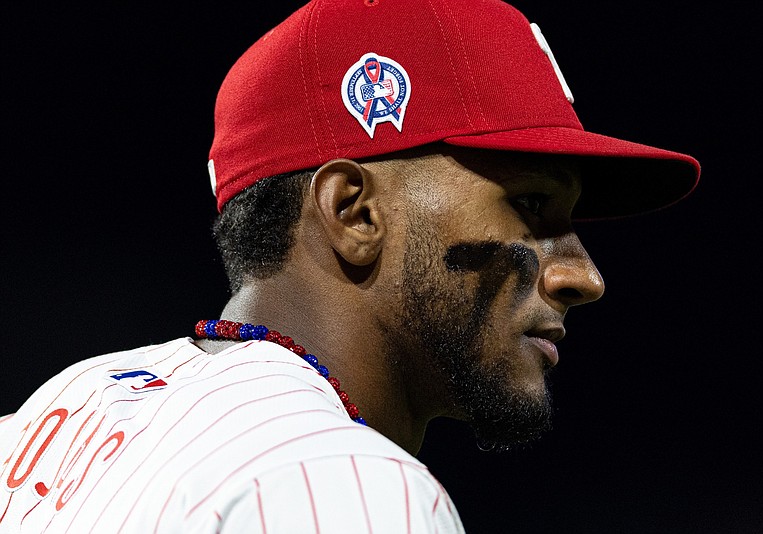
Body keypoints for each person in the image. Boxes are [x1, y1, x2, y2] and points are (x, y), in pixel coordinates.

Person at [0, 0, 699, 531]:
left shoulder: (54, 413)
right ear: (354, 212)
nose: (583, 276)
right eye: (531, 204)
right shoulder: (343, 481)